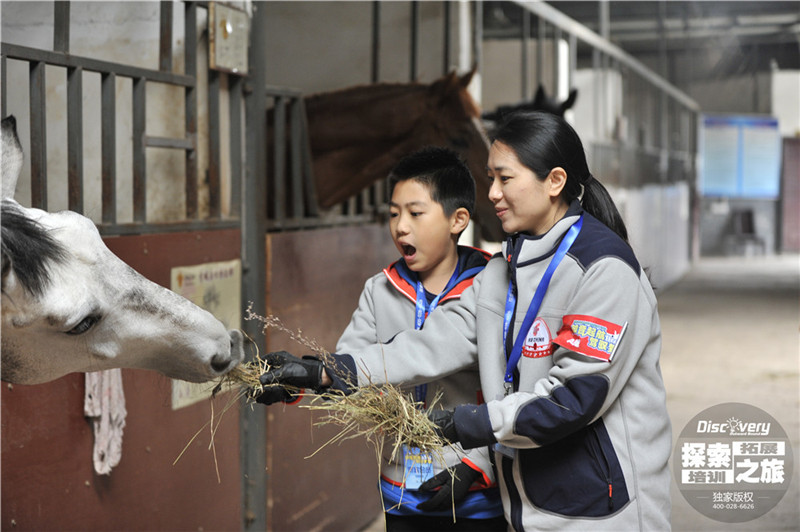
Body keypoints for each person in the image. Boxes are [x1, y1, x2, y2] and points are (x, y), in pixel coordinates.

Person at [261, 111, 672, 531]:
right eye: (490, 178)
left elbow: (571, 400)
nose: (491, 193)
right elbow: (431, 342)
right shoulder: (503, 270)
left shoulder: (603, 268)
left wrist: (464, 425)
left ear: (554, 181)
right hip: (531, 510)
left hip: (603, 514)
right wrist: (323, 372)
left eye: (505, 179)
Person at [258, 146, 506, 531]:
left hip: (474, 494)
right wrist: (301, 378)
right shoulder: (380, 290)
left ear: (458, 220)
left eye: (415, 213)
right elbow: (350, 368)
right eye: (393, 214)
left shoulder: (491, 287)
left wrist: (478, 465)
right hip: (400, 490)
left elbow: (508, 391)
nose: (400, 227)